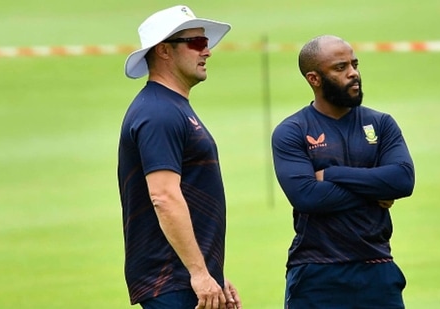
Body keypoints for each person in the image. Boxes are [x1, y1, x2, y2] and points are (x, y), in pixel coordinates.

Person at [271, 35, 416, 308]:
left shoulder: (382, 124)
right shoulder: (292, 131)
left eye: (354, 64)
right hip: (316, 273)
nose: (353, 74)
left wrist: (331, 175)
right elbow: (308, 197)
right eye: (340, 68)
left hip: (377, 268)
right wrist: (374, 190)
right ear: (314, 79)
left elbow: (402, 180)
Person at [117, 5, 241, 309]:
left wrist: (213, 274)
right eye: (197, 43)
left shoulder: (170, 107)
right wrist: (199, 273)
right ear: (164, 51)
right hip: (171, 280)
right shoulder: (159, 113)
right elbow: (164, 196)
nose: (208, 51)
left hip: (183, 278)